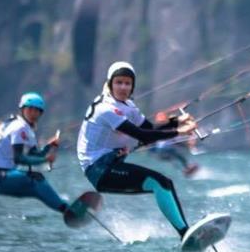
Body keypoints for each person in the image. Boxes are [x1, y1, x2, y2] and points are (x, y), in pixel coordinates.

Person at [77, 61, 202, 239]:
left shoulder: (128, 106)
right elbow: (144, 136)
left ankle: (185, 234)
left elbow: (149, 129)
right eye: (118, 82)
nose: (123, 87)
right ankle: (186, 234)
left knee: (163, 184)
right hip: (99, 171)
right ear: (110, 83)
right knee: (161, 183)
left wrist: (177, 121)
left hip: (111, 165)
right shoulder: (105, 109)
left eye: (127, 83)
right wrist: (180, 131)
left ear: (132, 86)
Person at [0, 93, 68, 213]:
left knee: (38, 190)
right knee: (36, 178)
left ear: (41, 113)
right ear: (22, 109)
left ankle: (67, 211)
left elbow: (35, 155)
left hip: (2, 177)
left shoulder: (26, 128)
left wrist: (49, 146)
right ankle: (67, 209)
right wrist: (45, 160)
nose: (33, 114)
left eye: (37, 111)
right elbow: (19, 159)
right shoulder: (19, 127)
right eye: (30, 110)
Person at [150, 112, 201, 177]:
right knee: (178, 156)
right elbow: (176, 141)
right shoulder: (169, 129)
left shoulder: (158, 128)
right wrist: (185, 146)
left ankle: (184, 169)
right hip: (165, 148)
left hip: (159, 152)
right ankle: (187, 167)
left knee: (172, 159)